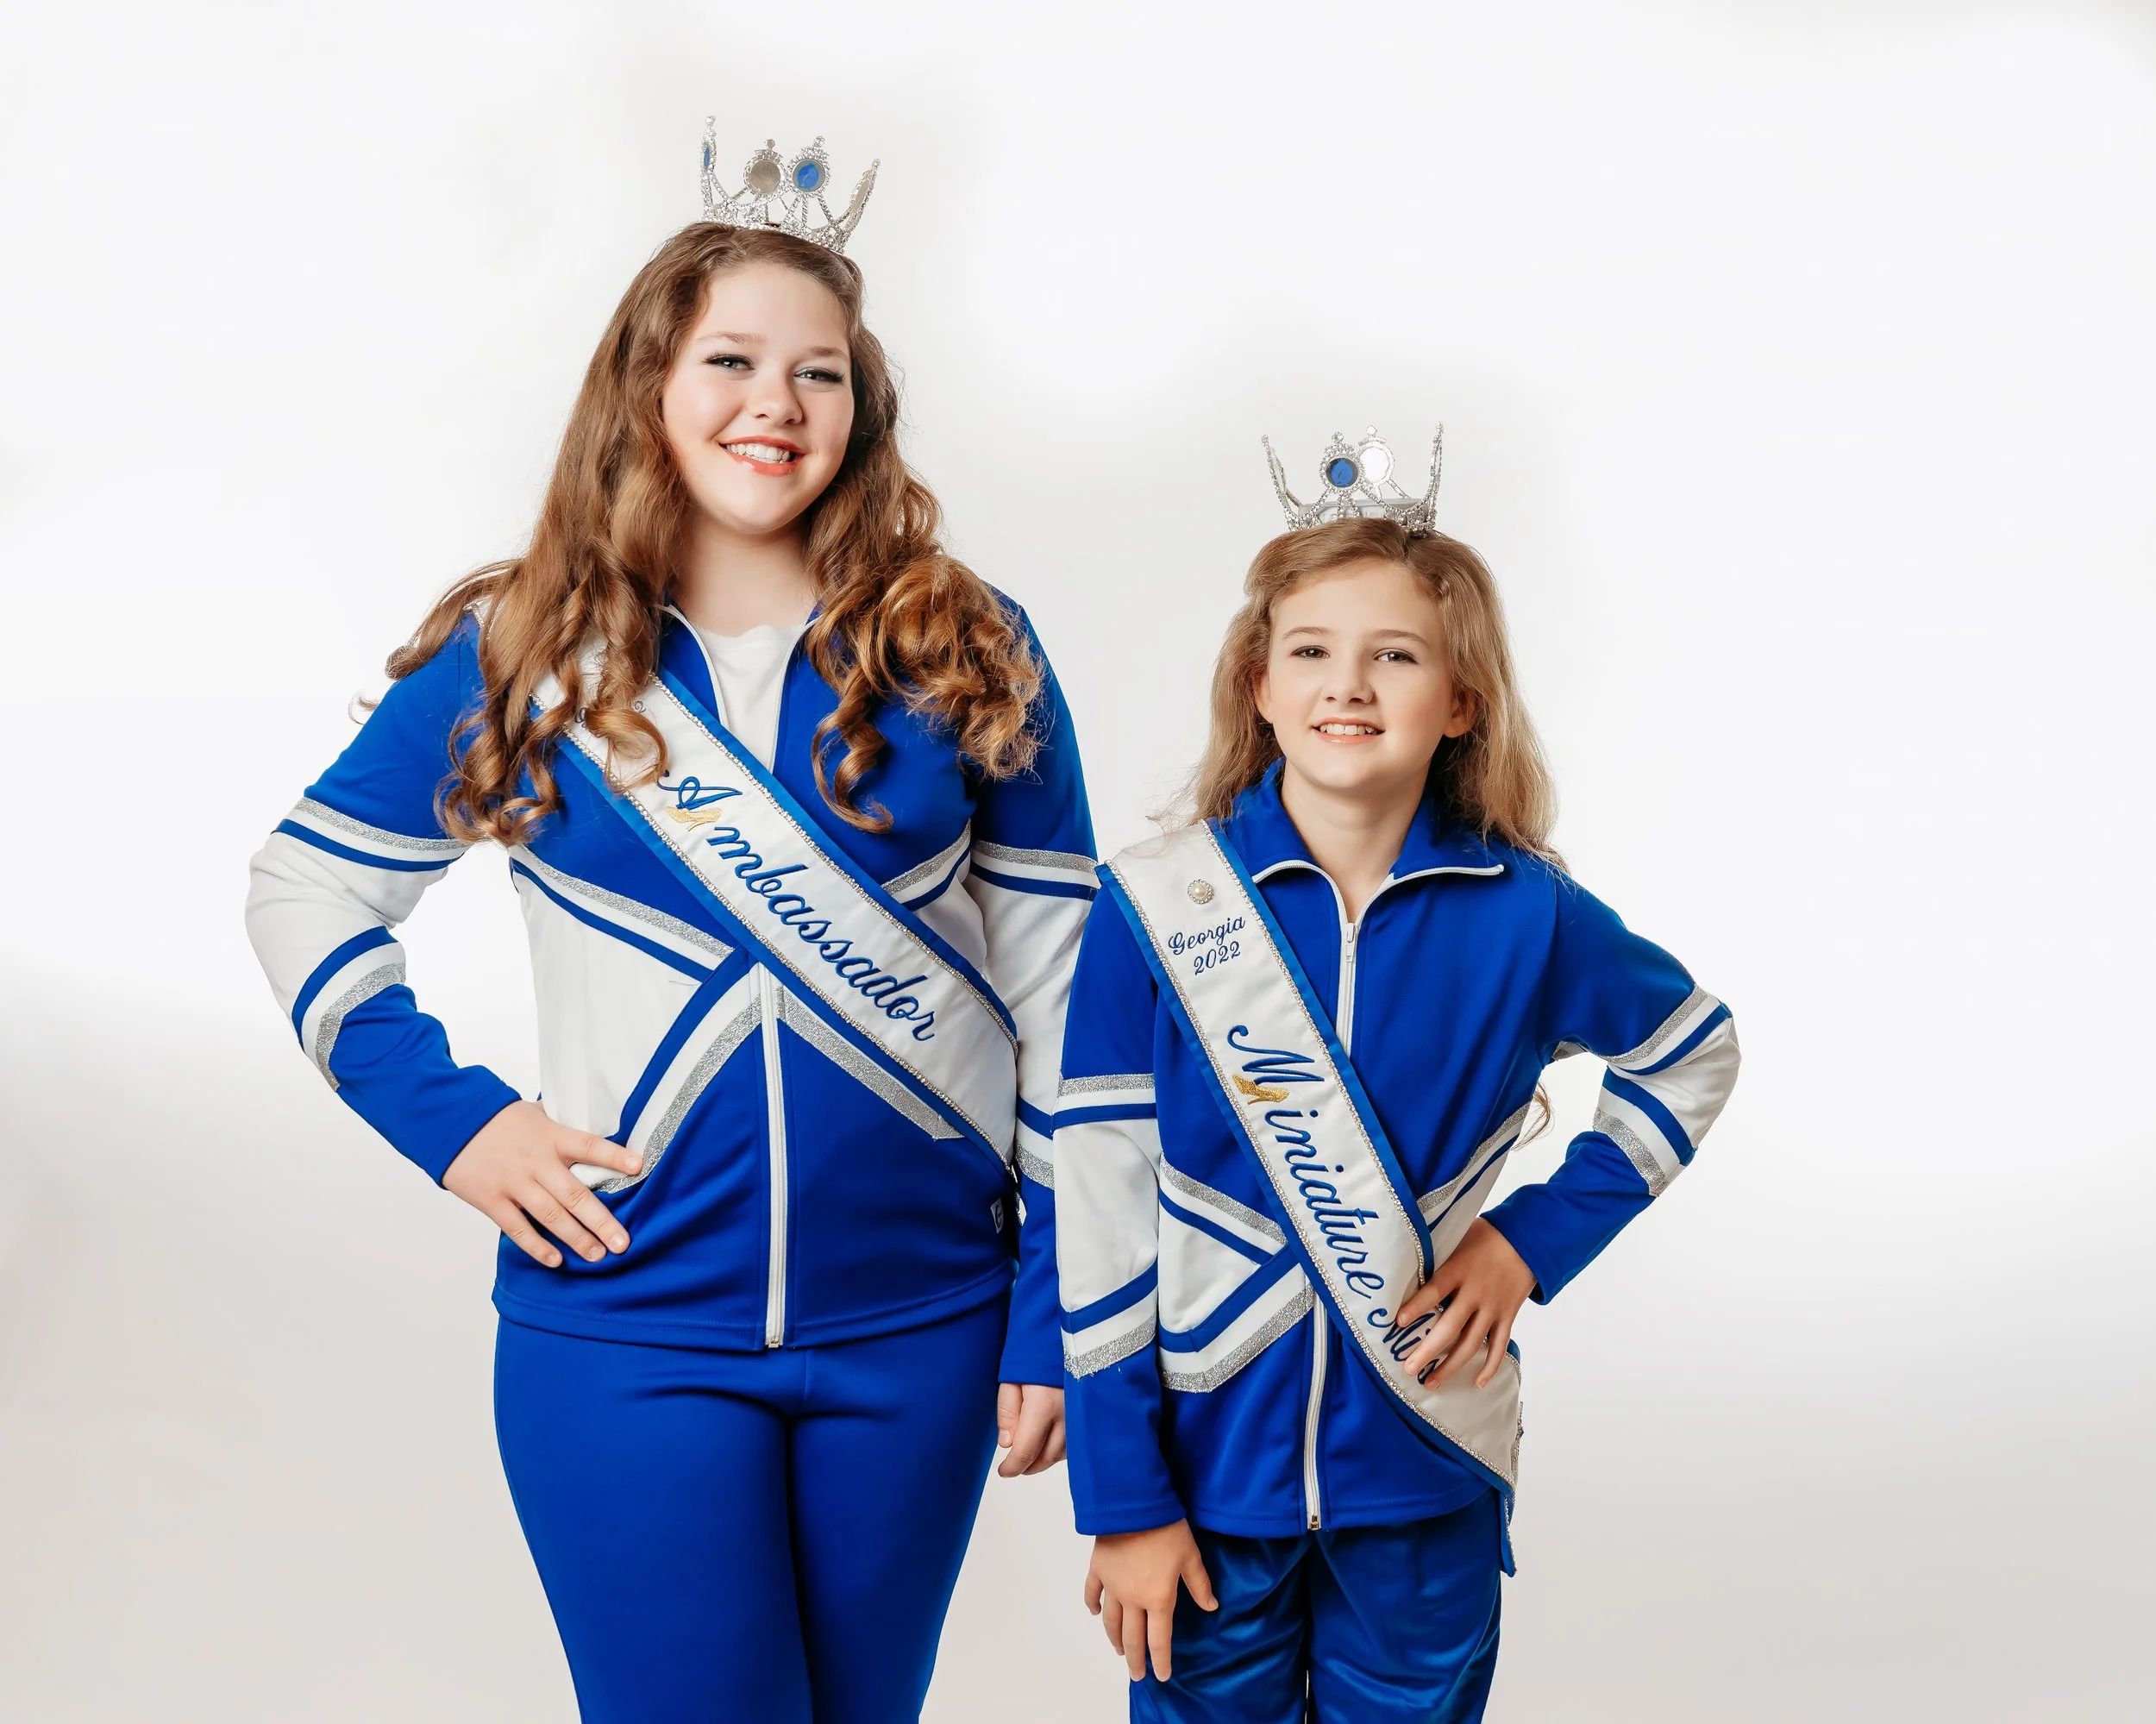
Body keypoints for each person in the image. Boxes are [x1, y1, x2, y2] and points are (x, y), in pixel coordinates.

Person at [243, 131, 1093, 1723]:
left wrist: (1057, 1303)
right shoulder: (529, 646)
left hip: (926, 1328)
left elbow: (1069, 1000)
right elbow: (305, 884)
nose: (779, 403)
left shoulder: (964, 643)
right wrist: (457, 1122)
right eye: (732, 360)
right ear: (647, 384)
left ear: (863, 407)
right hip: (626, 1327)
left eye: (821, 373)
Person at [1054, 429, 1740, 1721]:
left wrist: (1529, 1240)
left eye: (1398, 655)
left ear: (1462, 701)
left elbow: (1693, 1050)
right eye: (1311, 650)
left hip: (1430, 1456)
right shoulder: (1150, 906)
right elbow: (1095, 1210)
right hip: (1204, 1470)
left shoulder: (1528, 913)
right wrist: (1122, 1495)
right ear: (1258, 686)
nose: (1349, 685)